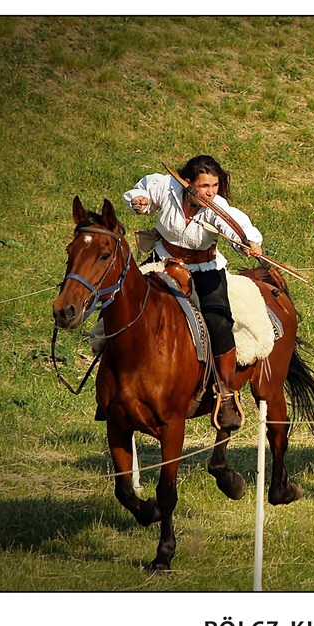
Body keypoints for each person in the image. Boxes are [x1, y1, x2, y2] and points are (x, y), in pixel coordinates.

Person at [124, 154, 263, 429]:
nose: (211, 192)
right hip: (163, 262)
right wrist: (139, 202)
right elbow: (142, 193)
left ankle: (225, 393)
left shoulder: (218, 207)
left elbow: (236, 228)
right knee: (126, 304)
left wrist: (248, 243)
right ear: (187, 183)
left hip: (205, 269)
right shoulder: (166, 187)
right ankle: (113, 383)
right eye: (204, 186)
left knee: (219, 321)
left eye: (215, 185)